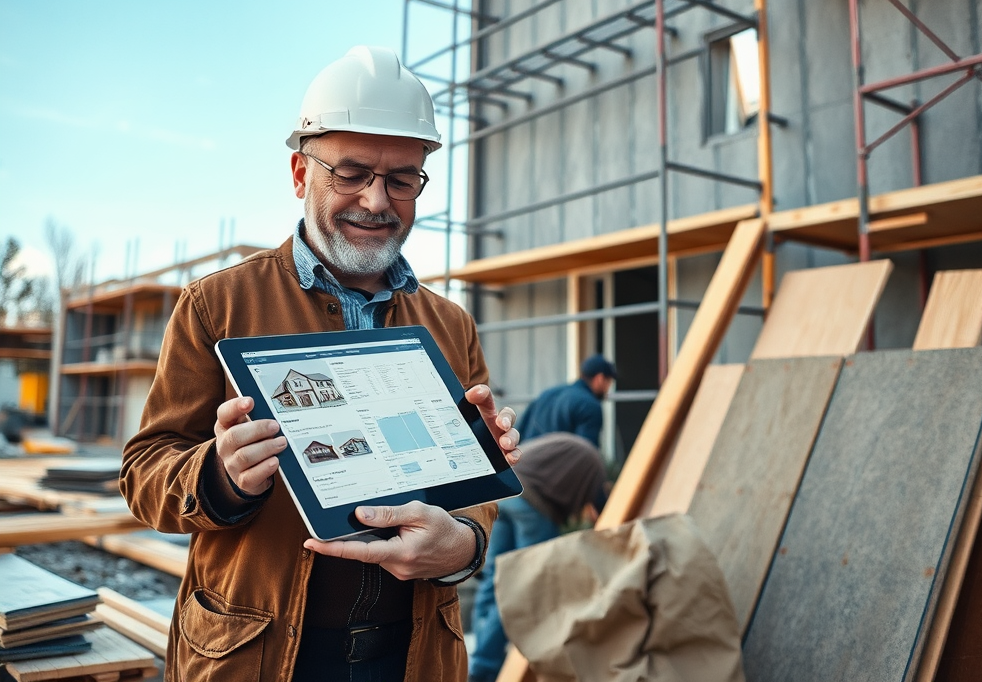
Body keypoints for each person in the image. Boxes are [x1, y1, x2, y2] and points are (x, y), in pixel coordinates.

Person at [119, 46, 521, 682]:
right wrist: (219, 475)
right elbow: (145, 473)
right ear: (301, 174)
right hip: (258, 654)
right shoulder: (216, 306)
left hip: (411, 656)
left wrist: (464, 540)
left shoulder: (451, 325)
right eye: (352, 172)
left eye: (401, 179)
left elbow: (473, 493)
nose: (375, 199)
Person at [467, 432, 608, 682]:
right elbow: (604, 510)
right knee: (522, 586)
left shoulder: (573, 448)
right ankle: (486, 668)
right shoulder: (594, 469)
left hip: (504, 494)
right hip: (532, 506)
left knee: (495, 580)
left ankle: (482, 661)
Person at [516, 354, 617, 447]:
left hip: (526, 462)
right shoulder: (590, 405)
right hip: (556, 465)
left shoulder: (546, 394)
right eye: (609, 382)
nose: (608, 389)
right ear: (599, 378)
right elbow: (587, 453)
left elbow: (518, 434)